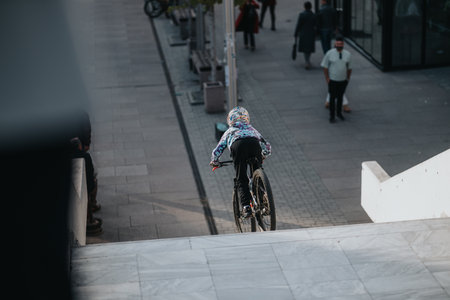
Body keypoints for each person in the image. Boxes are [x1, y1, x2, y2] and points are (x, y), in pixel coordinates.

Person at [210, 107, 271, 218]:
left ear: (230, 120)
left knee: (241, 177)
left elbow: (219, 148)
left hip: (238, 146)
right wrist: (264, 154)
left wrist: (214, 161)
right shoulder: (252, 128)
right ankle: (263, 203)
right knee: (257, 171)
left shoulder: (230, 131)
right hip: (254, 144)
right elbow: (265, 144)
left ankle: (246, 207)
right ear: (246, 118)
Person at [70, 110, 102, 235]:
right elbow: (85, 126)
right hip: (80, 151)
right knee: (91, 179)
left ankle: (91, 209)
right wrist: (86, 144)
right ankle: (90, 211)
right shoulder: (79, 112)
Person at [320, 37, 352, 123]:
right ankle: (332, 116)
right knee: (332, 98)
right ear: (335, 44)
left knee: (340, 97)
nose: (339, 46)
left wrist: (347, 78)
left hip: (343, 80)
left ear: (343, 45)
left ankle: (339, 113)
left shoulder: (348, 54)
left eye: (341, 44)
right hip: (333, 80)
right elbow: (325, 66)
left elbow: (349, 68)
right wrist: (327, 78)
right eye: (337, 44)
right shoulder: (329, 53)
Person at [294, 1, 316, 69]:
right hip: (311, 33)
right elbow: (315, 24)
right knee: (309, 48)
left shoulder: (302, 14)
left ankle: (307, 61)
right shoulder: (313, 15)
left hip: (303, 33)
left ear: (304, 7)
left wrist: (296, 33)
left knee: (305, 48)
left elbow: (299, 24)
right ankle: (308, 60)